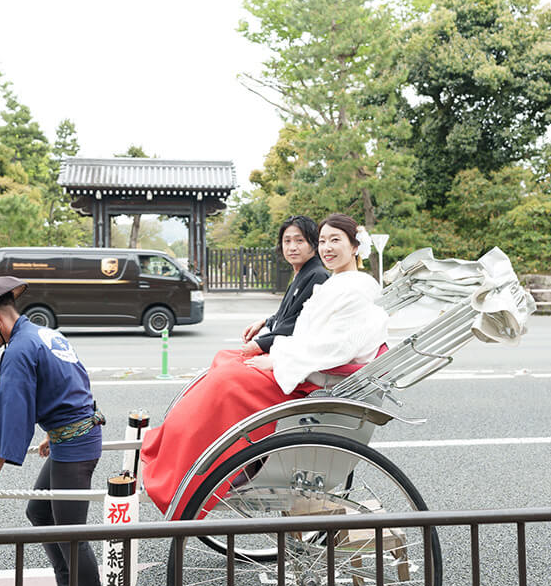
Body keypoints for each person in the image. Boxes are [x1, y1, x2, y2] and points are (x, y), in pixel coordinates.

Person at [140, 213, 387, 518]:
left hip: (309, 376)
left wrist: (278, 357)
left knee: (226, 382)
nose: (327, 248)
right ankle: (168, 455)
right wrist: (278, 348)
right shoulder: (337, 282)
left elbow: (334, 346)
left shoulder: (355, 288)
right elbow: (306, 332)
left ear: (354, 247)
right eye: (323, 240)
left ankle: (182, 473)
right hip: (301, 363)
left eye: (335, 240)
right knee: (224, 370)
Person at [0, 276, 106, 586]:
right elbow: (71, 380)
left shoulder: (19, 350)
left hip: (76, 442)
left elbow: (10, 418)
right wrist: (52, 430)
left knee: (72, 537)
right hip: (74, 435)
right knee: (39, 511)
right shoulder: (41, 332)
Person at [240, 215, 330, 353]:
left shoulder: (317, 276)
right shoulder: (302, 274)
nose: (292, 247)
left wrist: (260, 344)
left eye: (299, 241)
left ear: (314, 244)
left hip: (292, 355)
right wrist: (265, 322)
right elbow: (286, 316)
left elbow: (298, 325)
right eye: (287, 241)